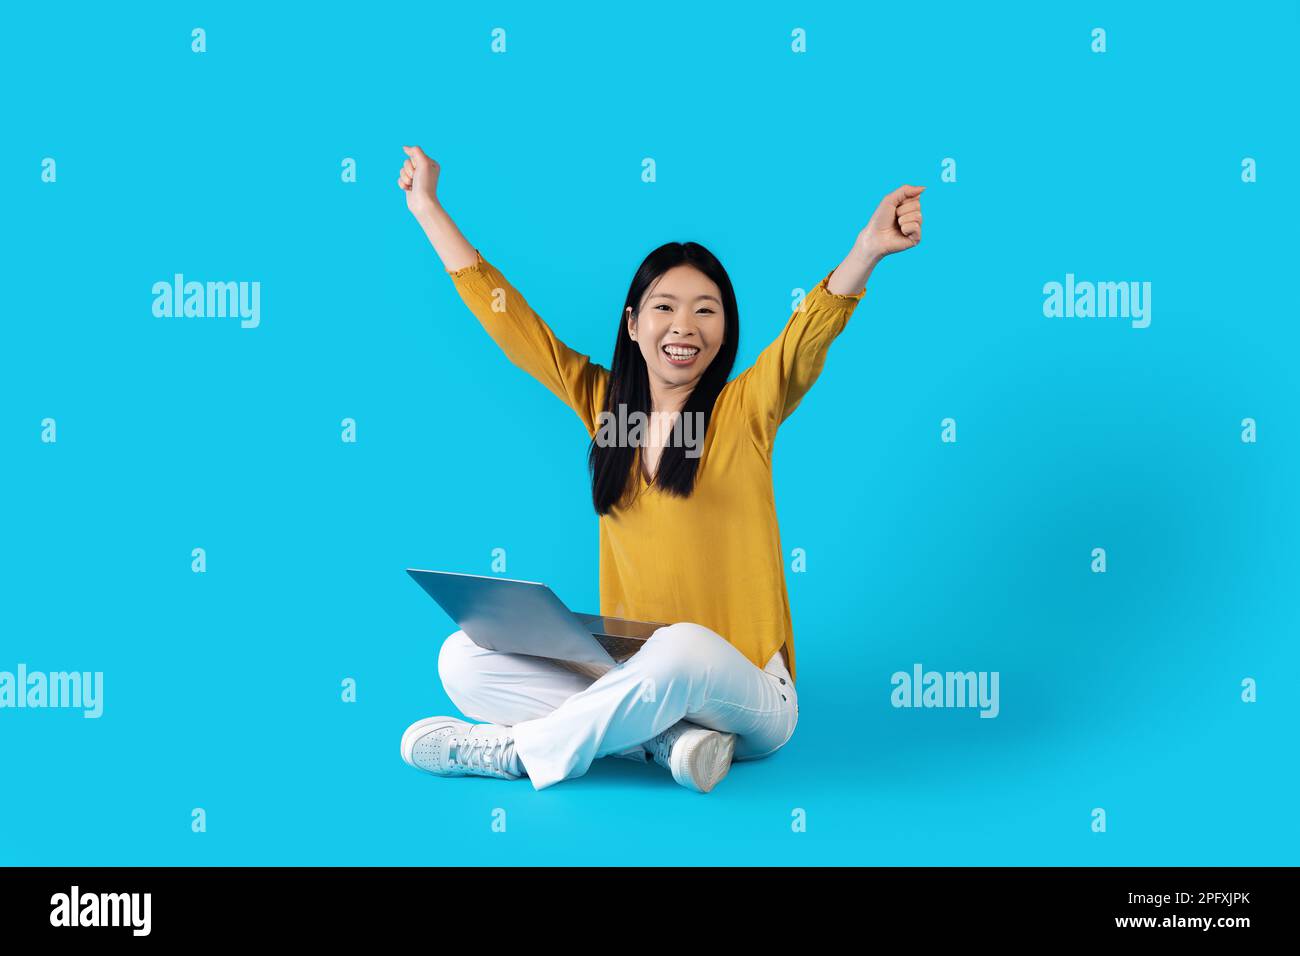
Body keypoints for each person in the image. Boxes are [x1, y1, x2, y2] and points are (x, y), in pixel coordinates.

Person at [395, 145, 923, 792]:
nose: (685, 325)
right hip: (635, 674)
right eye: (665, 306)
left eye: (707, 309)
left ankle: (516, 753)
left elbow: (805, 339)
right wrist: (427, 209)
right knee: (464, 660)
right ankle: (673, 746)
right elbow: (513, 325)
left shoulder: (743, 413)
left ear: (725, 333)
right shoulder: (603, 409)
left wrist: (866, 250)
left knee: (682, 646)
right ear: (634, 324)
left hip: (753, 692)